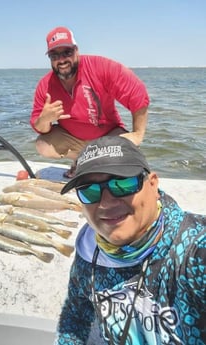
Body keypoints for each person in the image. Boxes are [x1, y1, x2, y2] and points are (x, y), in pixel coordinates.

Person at [54, 135, 206, 345]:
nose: (106, 203)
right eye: (90, 191)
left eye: (123, 184)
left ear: (153, 184)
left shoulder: (195, 248)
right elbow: (75, 316)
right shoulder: (90, 248)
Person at [30, 26, 150, 178]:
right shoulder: (45, 84)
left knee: (118, 167)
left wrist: (138, 133)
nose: (61, 60)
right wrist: (44, 119)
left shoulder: (100, 67)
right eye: (54, 55)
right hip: (73, 140)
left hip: (107, 136)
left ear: (76, 50)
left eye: (67, 52)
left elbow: (137, 92)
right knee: (42, 145)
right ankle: (81, 160)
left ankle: (90, 162)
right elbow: (39, 126)